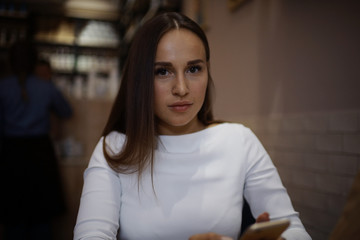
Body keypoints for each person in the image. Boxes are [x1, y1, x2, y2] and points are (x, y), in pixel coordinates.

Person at [74, 12, 311, 240]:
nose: (182, 88)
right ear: (140, 79)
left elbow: (293, 229)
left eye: (193, 69)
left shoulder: (238, 141)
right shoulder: (115, 148)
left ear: (208, 71)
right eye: (163, 71)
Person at [0, 39, 73, 240]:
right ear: (34, 62)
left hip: (10, 154)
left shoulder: (3, 87)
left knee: (13, 217)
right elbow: (67, 111)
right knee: (42, 217)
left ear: (11, 62)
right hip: (40, 153)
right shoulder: (46, 88)